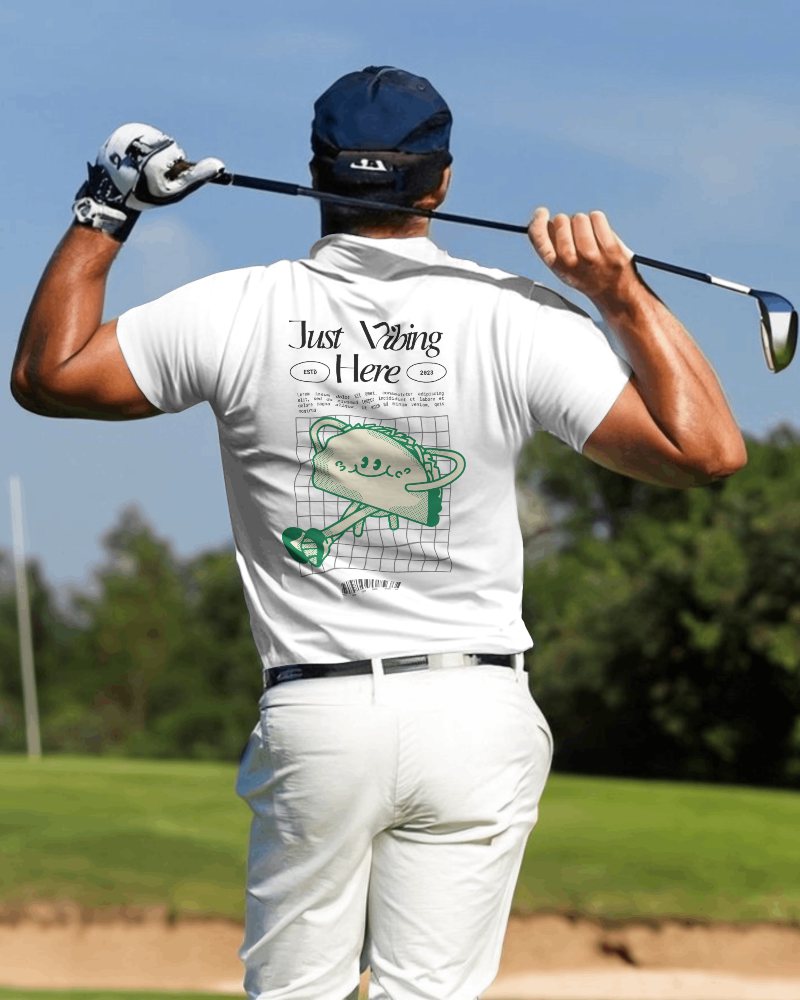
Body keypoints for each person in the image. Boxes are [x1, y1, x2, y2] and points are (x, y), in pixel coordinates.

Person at [11, 66, 746, 1000]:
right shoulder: (511, 313)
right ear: (438, 184)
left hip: (319, 718)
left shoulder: (239, 308)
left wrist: (108, 203)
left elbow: (48, 376)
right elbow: (708, 452)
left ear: (318, 174)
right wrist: (619, 293)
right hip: (474, 711)